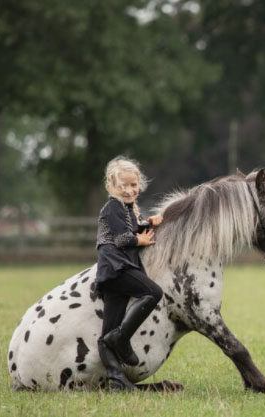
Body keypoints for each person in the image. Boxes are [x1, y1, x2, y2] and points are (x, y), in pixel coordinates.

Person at [95, 156, 164, 391]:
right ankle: (122, 339)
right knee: (153, 292)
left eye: (133, 185)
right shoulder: (112, 207)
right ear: (110, 187)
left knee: (106, 332)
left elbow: (133, 230)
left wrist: (149, 224)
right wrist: (140, 239)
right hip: (117, 266)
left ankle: (116, 379)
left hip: (117, 268)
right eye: (122, 186)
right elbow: (122, 238)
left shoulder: (129, 208)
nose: (128, 190)